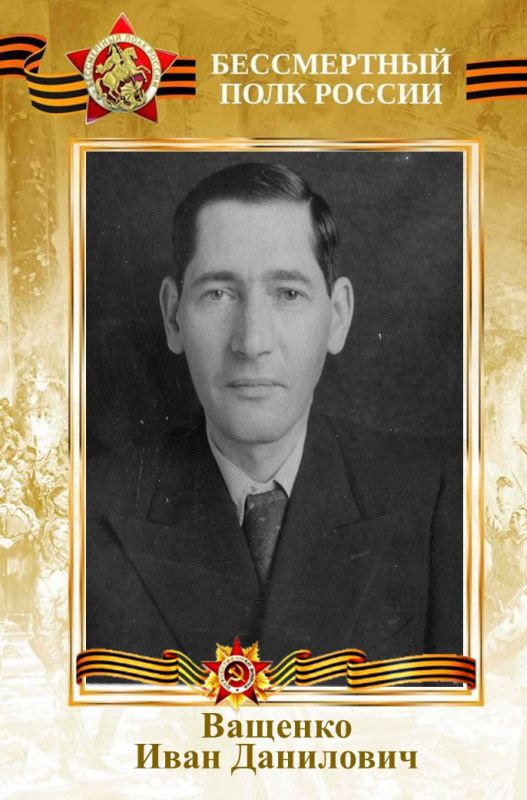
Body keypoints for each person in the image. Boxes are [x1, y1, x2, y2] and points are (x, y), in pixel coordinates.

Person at [86, 162, 462, 666]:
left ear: (338, 316)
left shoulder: (444, 494)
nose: (251, 342)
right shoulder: (78, 509)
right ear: (174, 316)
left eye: (288, 293)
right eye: (218, 293)